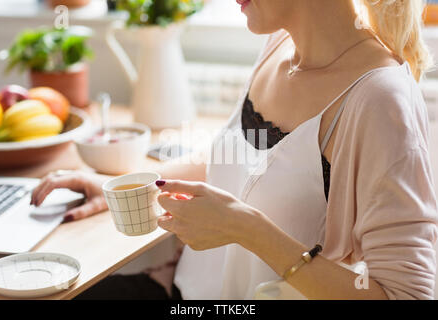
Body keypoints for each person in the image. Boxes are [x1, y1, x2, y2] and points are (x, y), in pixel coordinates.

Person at [32, 0, 438, 299]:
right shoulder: (280, 44)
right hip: (179, 291)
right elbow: (238, 157)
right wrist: (123, 188)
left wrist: (247, 229)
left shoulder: (379, 99)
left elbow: (406, 294)